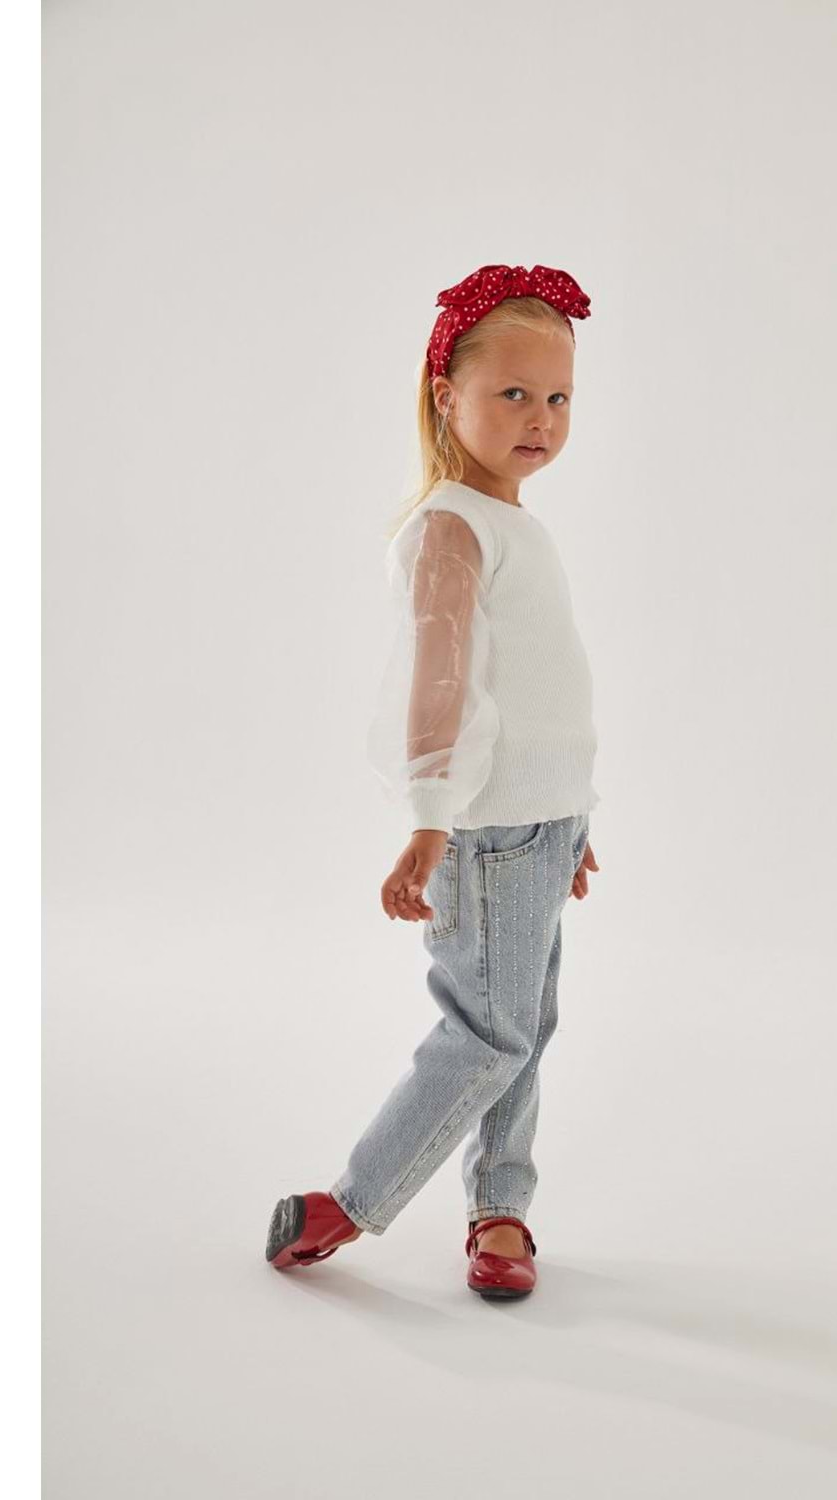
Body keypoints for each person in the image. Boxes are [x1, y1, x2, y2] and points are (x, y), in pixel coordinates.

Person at [265, 264, 603, 1299]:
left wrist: (572, 821)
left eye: (559, 397)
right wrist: (429, 816)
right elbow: (440, 678)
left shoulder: (514, 524)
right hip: (486, 832)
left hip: (540, 826)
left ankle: (500, 1206)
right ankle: (351, 1201)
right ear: (445, 396)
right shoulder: (452, 525)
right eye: (514, 393)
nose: (540, 418)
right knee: (487, 1034)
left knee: (523, 1034)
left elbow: (535, 689)